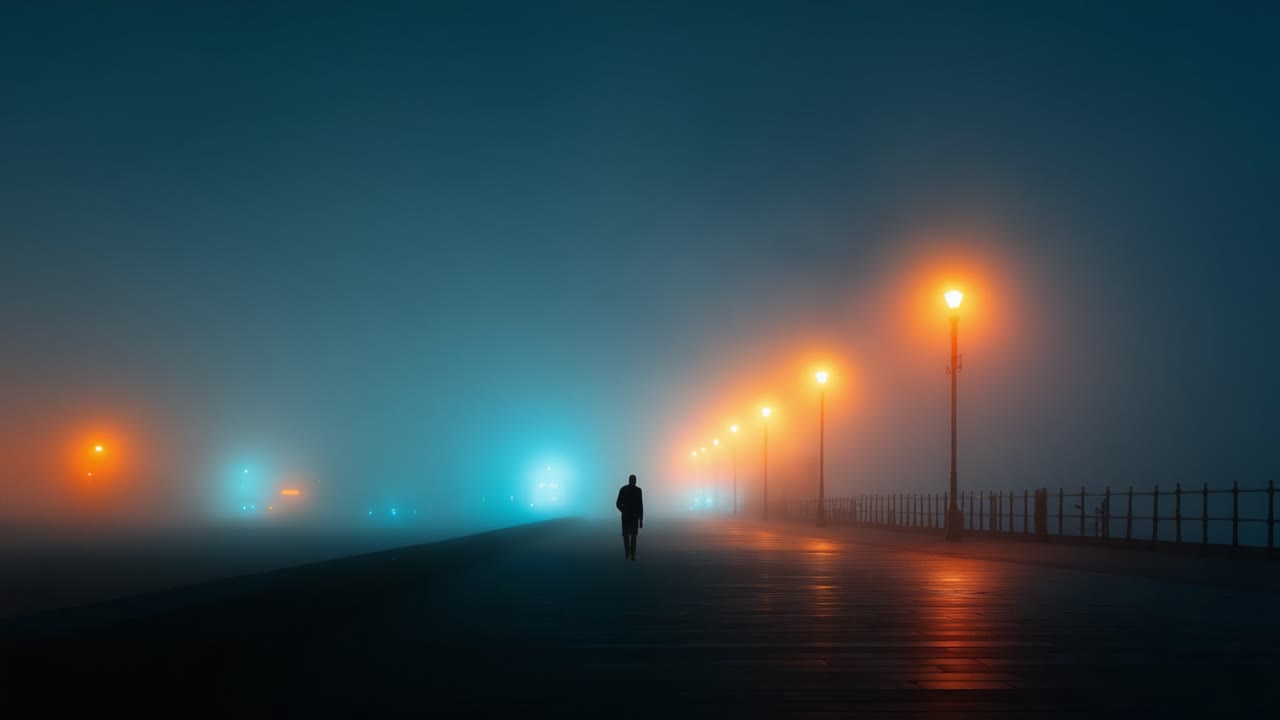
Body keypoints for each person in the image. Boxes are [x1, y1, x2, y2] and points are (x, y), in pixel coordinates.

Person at [616, 474, 644, 561]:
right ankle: (631, 554)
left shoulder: (624, 489)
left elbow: (618, 504)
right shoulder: (638, 490)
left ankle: (628, 553)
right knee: (632, 536)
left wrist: (623, 510)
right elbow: (640, 506)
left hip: (628, 516)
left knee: (627, 535)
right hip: (633, 516)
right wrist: (641, 519)